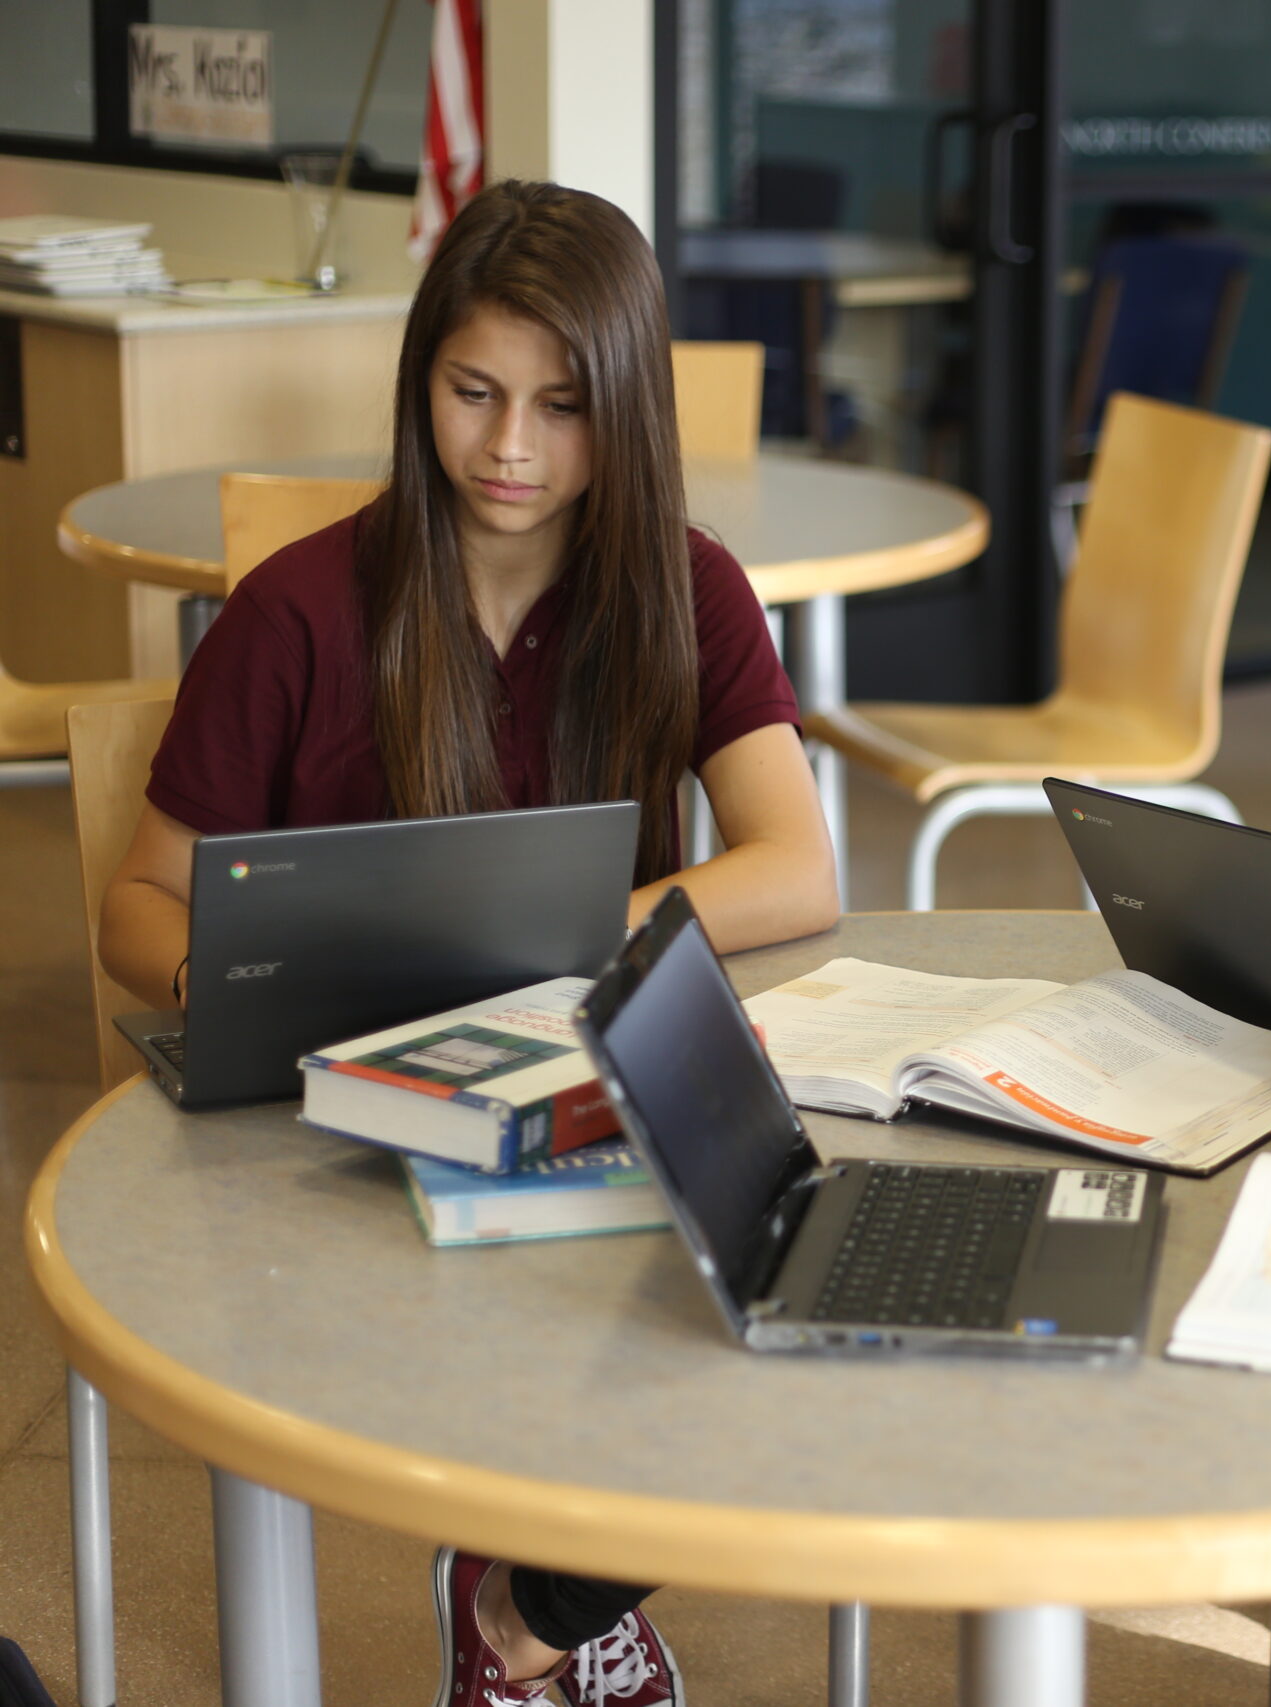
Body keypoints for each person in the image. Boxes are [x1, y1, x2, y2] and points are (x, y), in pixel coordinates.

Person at [99, 180, 840, 1707]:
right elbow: (135, 903)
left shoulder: (682, 586)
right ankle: (541, 1595)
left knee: (795, 1279)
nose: (511, 447)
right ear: (419, 379)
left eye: (564, 406)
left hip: (570, 1080)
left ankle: (529, 1608)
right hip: (340, 1116)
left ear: (624, 410)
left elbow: (799, 864)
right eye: (473, 392)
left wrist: (570, 941)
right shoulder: (301, 610)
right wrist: (239, 990)